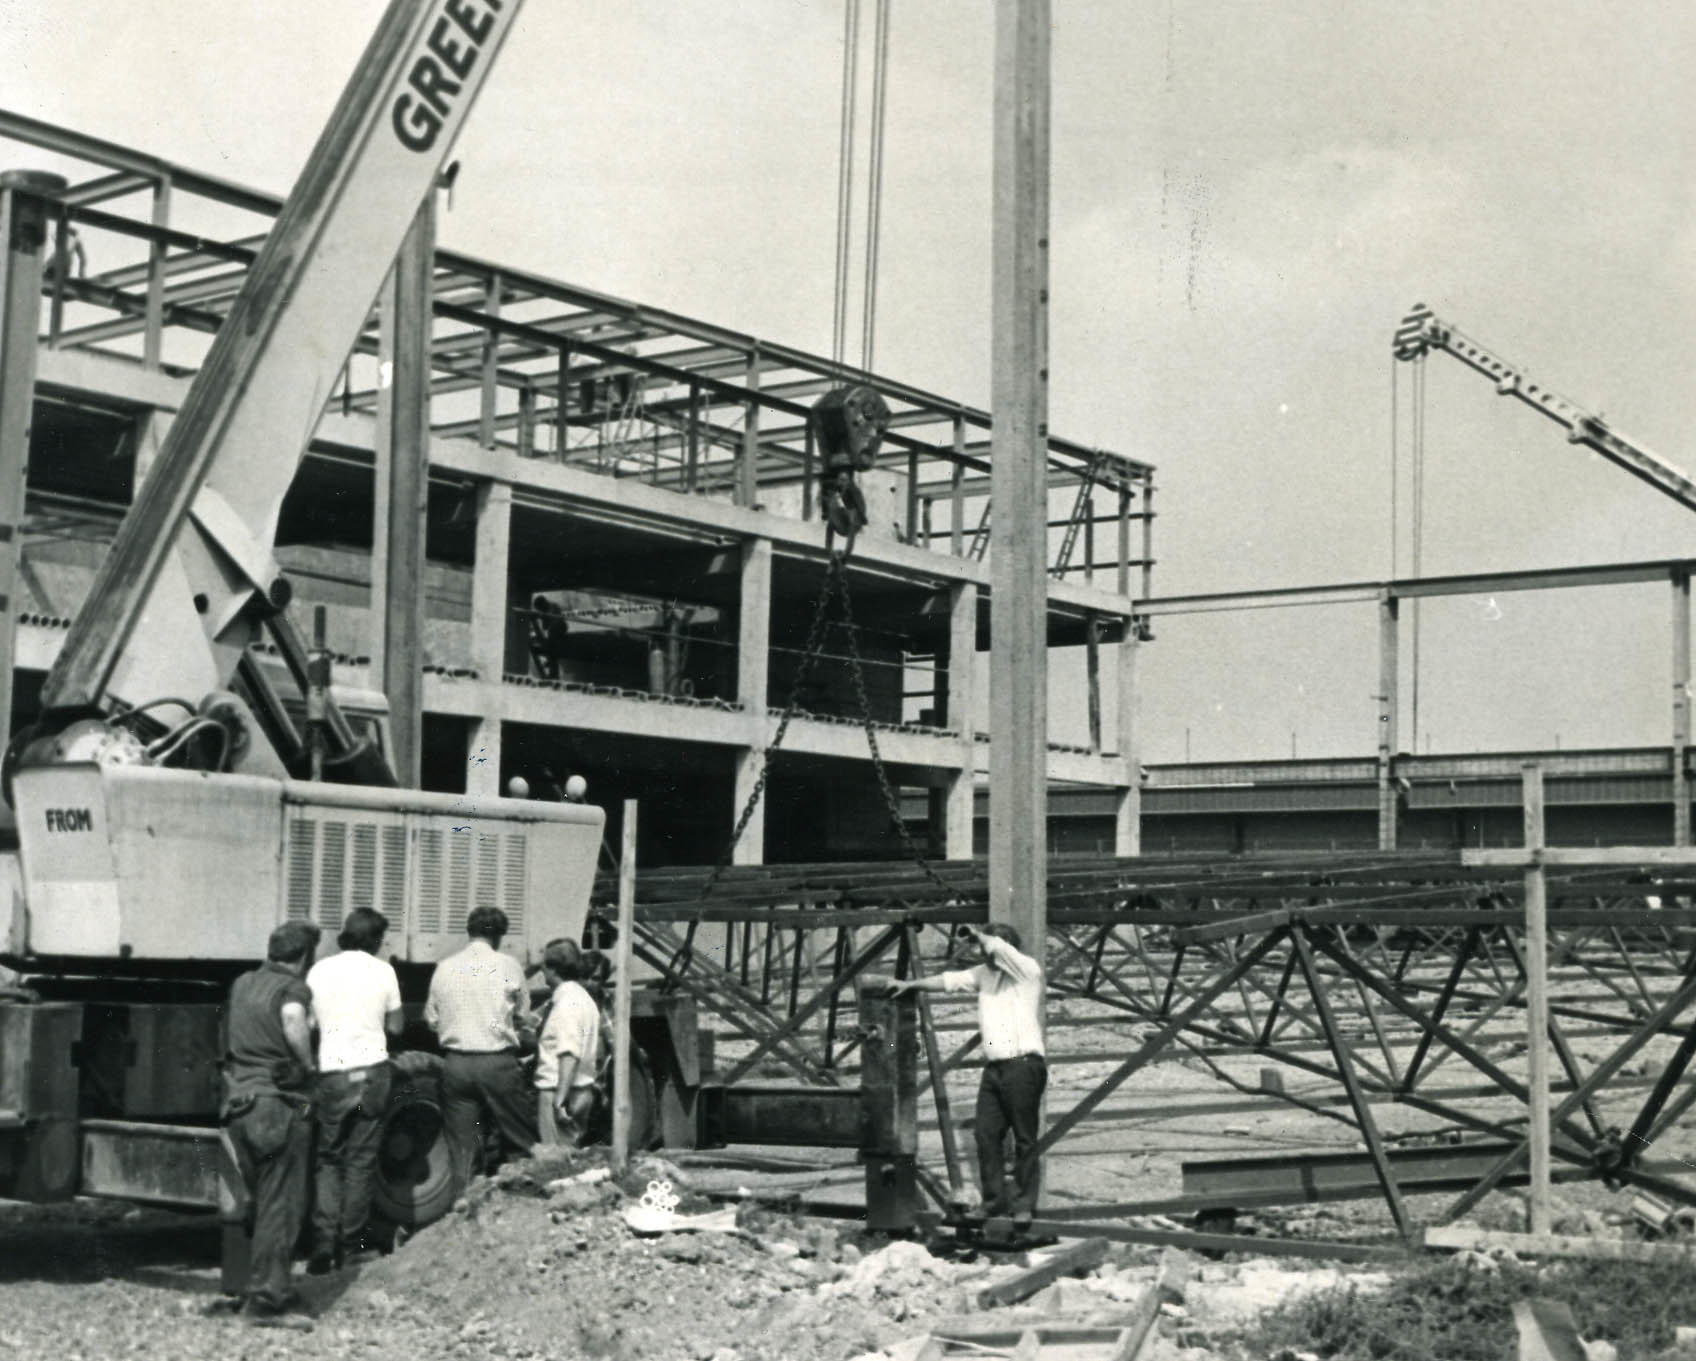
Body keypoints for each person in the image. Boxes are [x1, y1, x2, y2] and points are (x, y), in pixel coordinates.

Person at [886, 921, 1046, 1228]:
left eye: (988, 945)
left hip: (1023, 1065)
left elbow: (998, 948)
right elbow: (950, 980)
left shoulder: (1027, 971)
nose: (984, 951)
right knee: (985, 1134)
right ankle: (993, 1202)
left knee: (1025, 1138)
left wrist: (980, 935)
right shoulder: (985, 975)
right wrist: (911, 985)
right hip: (996, 1068)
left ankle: (1024, 1204)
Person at [222, 921, 321, 1320]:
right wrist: (307, 1064)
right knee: (282, 1206)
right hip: (276, 1105)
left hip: (240, 1104)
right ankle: (268, 1301)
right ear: (303, 957)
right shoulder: (292, 987)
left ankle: (251, 1287)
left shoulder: (243, 982)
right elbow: (294, 1019)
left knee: (256, 1203)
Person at [304, 906, 403, 1274]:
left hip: (333, 1073)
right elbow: (395, 1027)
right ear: (376, 940)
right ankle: (352, 1245)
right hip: (373, 1071)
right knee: (360, 1161)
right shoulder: (384, 971)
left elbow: (310, 1022)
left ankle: (322, 1246)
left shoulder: (319, 969)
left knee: (328, 1159)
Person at [424, 905, 537, 1181]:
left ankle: (465, 1209)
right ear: (499, 936)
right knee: (520, 1140)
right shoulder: (509, 965)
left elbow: (431, 1018)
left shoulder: (444, 967)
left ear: (469, 932)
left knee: (463, 1150)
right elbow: (523, 1015)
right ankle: (518, 1205)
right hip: (497, 1063)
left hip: (456, 1064)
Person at [533, 939, 603, 1146]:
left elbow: (569, 1054)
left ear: (553, 968)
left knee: (556, 1159)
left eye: (543, 965)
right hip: (580, 1089)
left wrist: (560, 1100)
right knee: (571, 1155)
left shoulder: (567, 1004)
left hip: (561, 1091)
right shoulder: (583, 998)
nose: (541, 971)